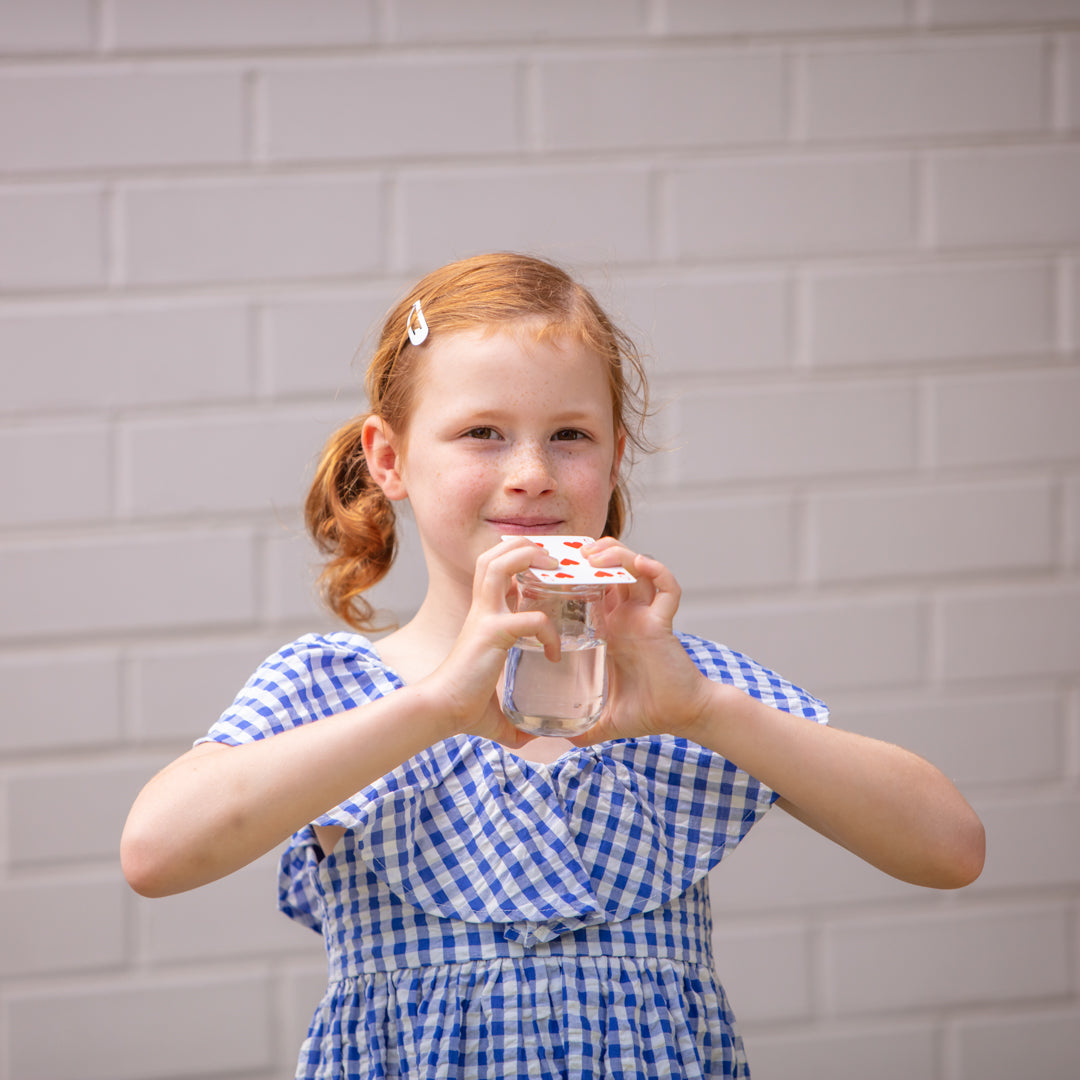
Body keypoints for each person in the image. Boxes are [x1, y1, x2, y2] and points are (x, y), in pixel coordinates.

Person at [121, 252, 985, 1079]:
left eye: (570, 435)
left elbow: (950, 849)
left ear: (614, 459)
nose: (532, 473)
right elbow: (156, 854)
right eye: (483, 434)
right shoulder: (334, 687)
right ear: (390, 461)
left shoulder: (675, 681)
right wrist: (435, 708)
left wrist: (706, 711)